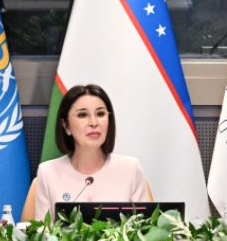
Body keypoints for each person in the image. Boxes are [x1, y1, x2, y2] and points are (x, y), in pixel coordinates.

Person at [34, 84, 149, 221]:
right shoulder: (48, 172)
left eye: (100, 114)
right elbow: (42, 231)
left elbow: (145, 228)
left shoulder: (130, 169)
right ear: (66, 125)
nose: (94, 123)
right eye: (82, 115)